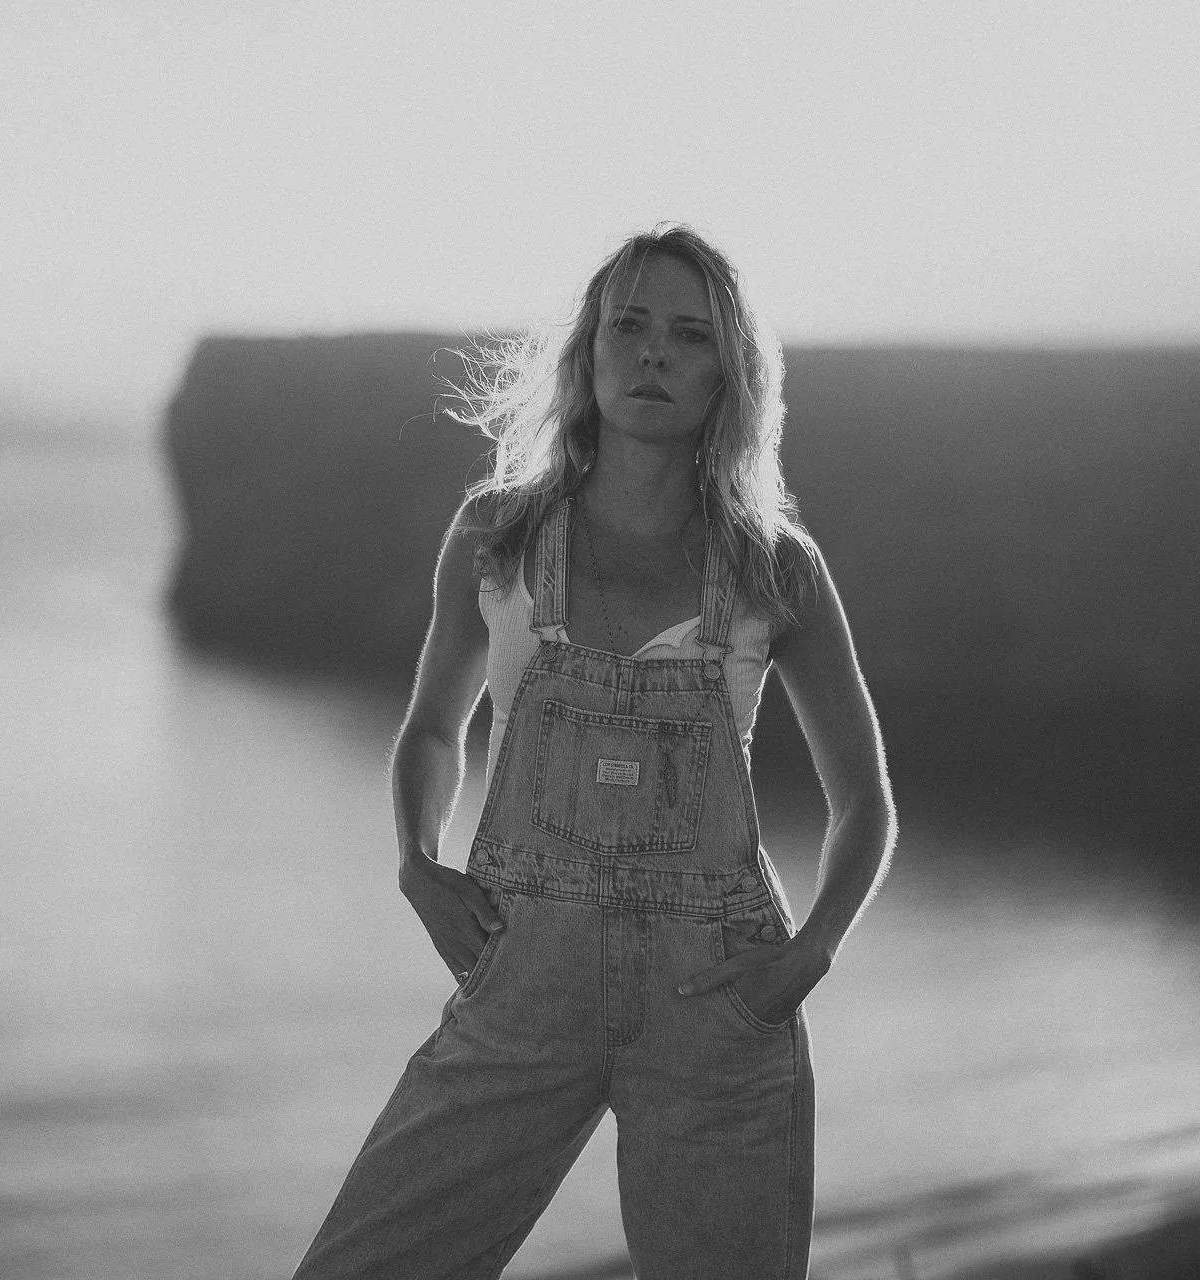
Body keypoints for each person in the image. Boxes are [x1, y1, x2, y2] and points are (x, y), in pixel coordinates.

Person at [292, 225, 896, 1280]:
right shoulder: (497, 538)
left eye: (688, 334)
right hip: (524, 981)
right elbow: (436, 727)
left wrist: (808, 954)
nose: (654, 352)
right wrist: (415, 863)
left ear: (729, 376)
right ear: (588, 353)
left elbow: (865, 802)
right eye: (630, 324)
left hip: (716, 1008)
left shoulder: (775, 571)